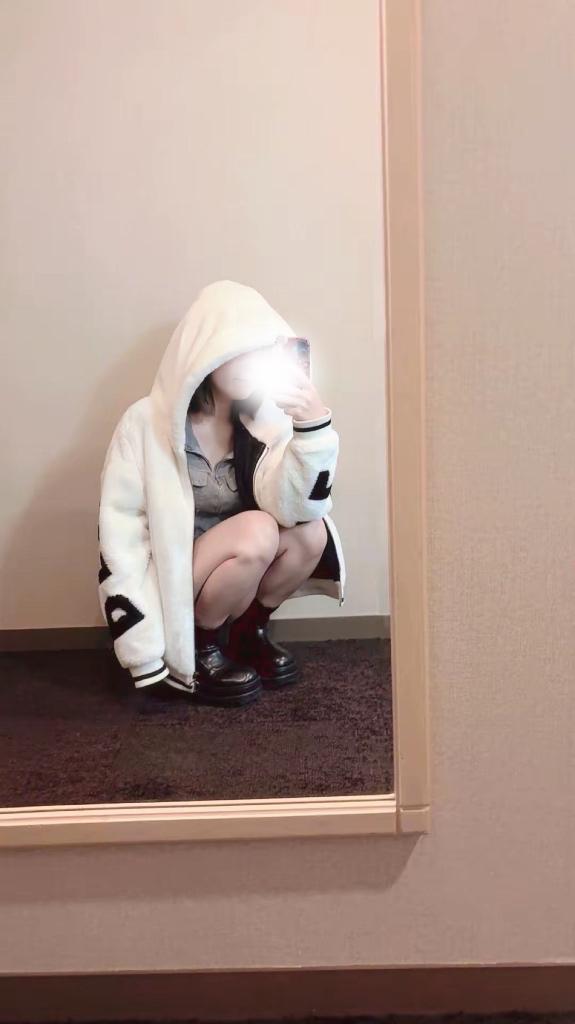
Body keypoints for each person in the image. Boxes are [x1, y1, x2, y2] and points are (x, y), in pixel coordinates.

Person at [97, 280, 346, 707]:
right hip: (175, 579)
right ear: (205, 352)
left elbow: (299, 506)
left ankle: (248, 634)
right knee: (258, 529)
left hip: (236, 571)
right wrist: (140, 641)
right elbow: (121, 529)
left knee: (312, 532)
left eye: (261, 352)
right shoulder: (146, 423)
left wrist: (312, 426)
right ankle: (200, 647)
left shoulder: (263, 423)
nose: (251, 364)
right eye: (236, 350)